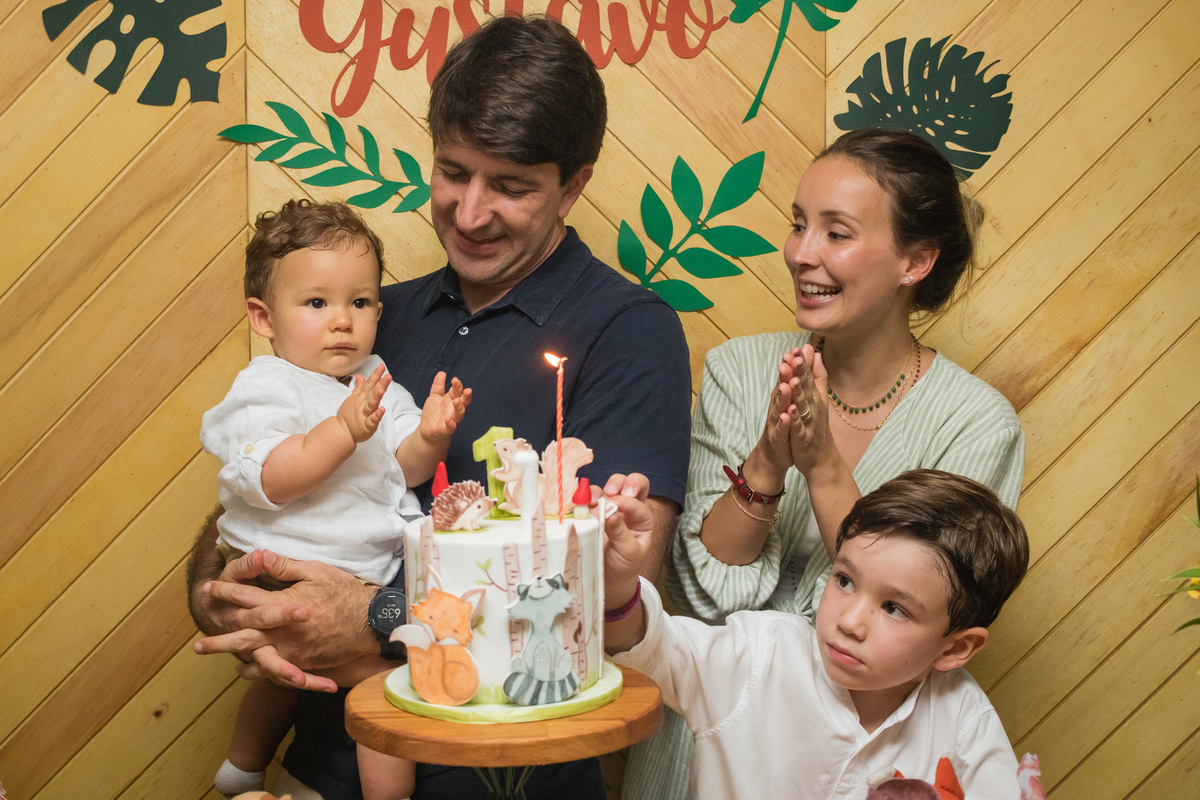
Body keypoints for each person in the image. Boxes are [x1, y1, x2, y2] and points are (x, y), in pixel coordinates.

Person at [186, 14, 692, 800]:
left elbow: (609, 595)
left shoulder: (630, 331)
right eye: (454, 172)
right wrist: (226, 597)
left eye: (513, 186)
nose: (470, 211)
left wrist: (376, 617)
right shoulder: (368, 318)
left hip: (505, 773)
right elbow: (261, 494)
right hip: (320, 761)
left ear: (576, 183)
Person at [625, 128, 1026, 800]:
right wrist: (766, 463)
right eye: (798, 224)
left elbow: (921, 610)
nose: (800, 253)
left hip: (871, 765)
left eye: (836, 233)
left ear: (915, 260)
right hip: (707, 748)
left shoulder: (979, 425)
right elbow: (703, 598)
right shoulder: (741, 370)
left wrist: (823, 468)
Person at [201, 199, 472, 799]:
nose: (342, 321)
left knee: (285, 681)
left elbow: (404, 468)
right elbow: (273, 475)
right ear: (263, 317)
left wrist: (431, 433)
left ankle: (242, 769)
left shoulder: (376, 381)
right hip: (280, 572)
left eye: (360, 302)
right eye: (317, 303)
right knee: (380, 686)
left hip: (357, 579)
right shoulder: (267, 386)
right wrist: (343, 430)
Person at [603, 469, 1029, 798]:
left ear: (957, 648)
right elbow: (651, 649)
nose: (849, 621)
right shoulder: (761, 654)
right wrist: (619, 585)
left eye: (894, 608)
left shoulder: (965, 722)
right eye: (844, 580)